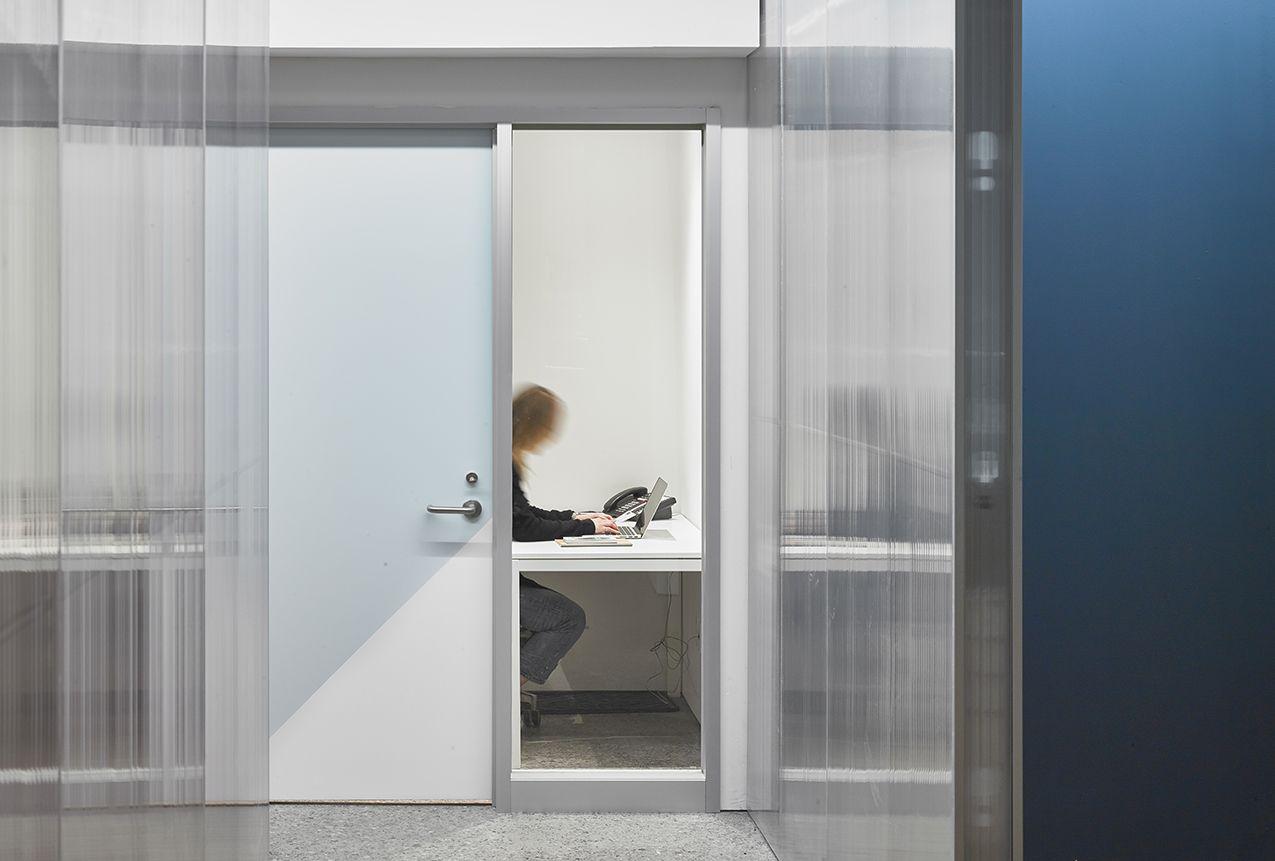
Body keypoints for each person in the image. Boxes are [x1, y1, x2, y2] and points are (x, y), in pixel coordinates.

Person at [512, 384, 617, 686]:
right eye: (547, 428)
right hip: (489, 582)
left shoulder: (505, 456)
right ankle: (502, 696)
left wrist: (575, 517)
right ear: (533, 426)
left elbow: (524, 514)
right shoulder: (502, 461)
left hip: (495, 574)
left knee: (563, 614)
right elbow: (523, 528)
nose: (551, 436)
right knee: (569, 618)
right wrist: (586, 528)